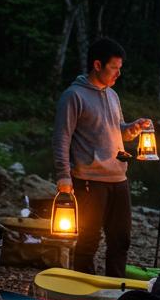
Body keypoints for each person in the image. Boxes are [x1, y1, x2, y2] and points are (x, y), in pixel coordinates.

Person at [53, 37, 151, 279]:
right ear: (97, 65)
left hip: (118, 177)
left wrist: (132, 128)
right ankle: (83, 287)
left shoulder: (112, 95)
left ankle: (114, 287)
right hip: (89, 178)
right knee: (89, 239)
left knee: (121, 239)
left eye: (120, 68)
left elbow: (117, 130)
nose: (118, 73)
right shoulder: (73, 95)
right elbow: (61, 137)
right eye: (113, 68)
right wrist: (63, 175)